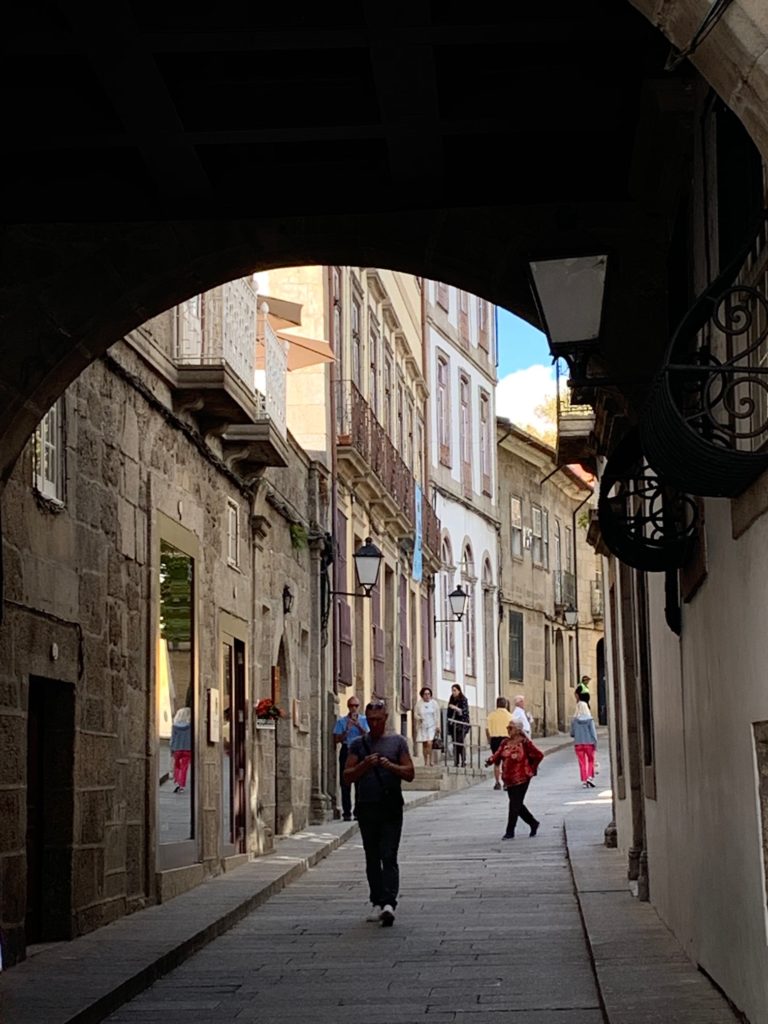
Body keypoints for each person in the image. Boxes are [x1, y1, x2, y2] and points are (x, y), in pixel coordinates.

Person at [344, 699, 415, 927]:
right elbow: (347, 775)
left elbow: (409, 772)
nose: (374, 724)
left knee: (389, 854)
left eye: (378, 719)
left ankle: (388, 904)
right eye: (371, 720)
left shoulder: (397, 742)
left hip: (391, 806)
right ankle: (376, 900)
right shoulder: (357, 744)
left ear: (385, 719)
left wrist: (389, 766)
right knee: (372, 856)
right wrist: (365, 764)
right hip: (366, 806)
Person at [485, 721, 544, 840]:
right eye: (508, 728)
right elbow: (498, 754)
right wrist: (490, 761)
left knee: (514, 805)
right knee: (517, 805)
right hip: (508, 779)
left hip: (522, 777)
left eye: (510, 728)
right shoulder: (505, 742)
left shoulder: (525, 742)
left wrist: (533, 768)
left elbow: (539, 755)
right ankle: (533, 823)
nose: (508, 730)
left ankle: (510, 831)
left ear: (517, 730)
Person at [333, 696, 369, 821]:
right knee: (345, 781)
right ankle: (346, 812)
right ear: (348, 707)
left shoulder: (364, 720)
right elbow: (336, 739)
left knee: (360, 783)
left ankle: (358, 811)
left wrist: (358, 726)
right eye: (351, 706)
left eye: (356, 706)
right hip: (347, 750)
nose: (353, 708)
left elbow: (368, 736)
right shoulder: (341, 721)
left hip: (360, 751)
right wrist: (347, 729)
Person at [485, 697, 513, 790]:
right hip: (506, 740)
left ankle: (497, 783)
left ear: (496, 704)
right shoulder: (510, 716)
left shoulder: (491, 715)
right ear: (505, 705)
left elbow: (487, 729)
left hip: (495, 740)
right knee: (506, 762)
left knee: (496, 763)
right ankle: (505, 783)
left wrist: (489, 740)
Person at [570, 700, 598, 788]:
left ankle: (584, 780)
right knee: (590, 760)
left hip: (578, 744)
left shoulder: (574, 721)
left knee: (582, 763)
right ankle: (590, 777)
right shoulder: (590, 720)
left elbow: (572, 733)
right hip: (589, 743)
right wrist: (595, 743)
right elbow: (593, 733)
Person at [414, 686, 441, 766]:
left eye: (429, 694)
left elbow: (437, 715)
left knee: (430, 743)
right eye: (425, 694)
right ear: (422, 695)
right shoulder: (419, 704)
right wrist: (419, 718)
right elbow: (415, 714)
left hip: (432, 726)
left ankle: (431, 759)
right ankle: (426, 761)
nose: (427, 696)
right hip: (423, 726)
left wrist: (438, 726)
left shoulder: (434, 703)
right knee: (425, 744)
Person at [447, 683, 470, 767]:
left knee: (460, 742)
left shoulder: (463, 699)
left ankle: (463, 760)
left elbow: (464, 712)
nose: (453, 692)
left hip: (462, 724)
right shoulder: (451, 699)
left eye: (455, 690)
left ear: (459, 691)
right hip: (453, 725)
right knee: (455, 743)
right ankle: (456, 761)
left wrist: (456, 708)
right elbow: (449, 713)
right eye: (452, 690)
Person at [170, 707, 192, 793]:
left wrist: (171, 749)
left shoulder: (174, 726)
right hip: (187, 749)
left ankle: (177, 781)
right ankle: (181, 785)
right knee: (184, 767)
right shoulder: (190, 726)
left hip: (177, 748)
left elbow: (172, 738)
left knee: (177, 766)